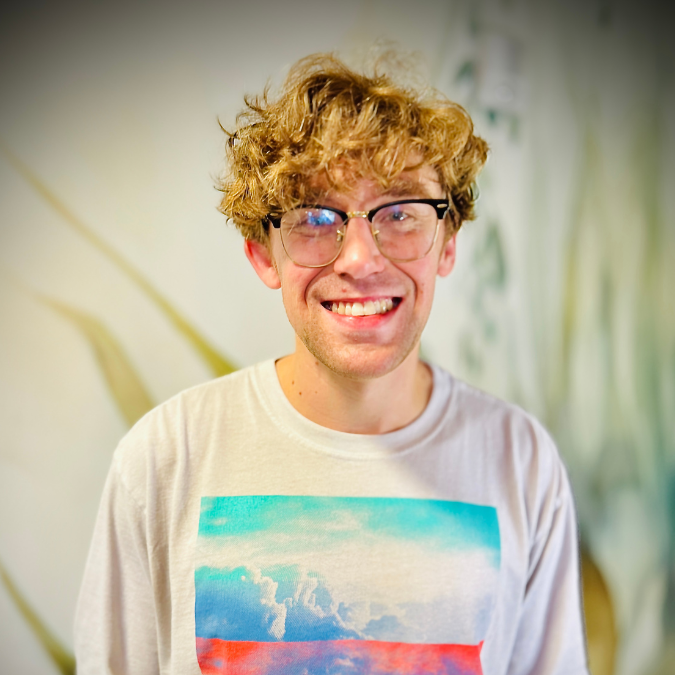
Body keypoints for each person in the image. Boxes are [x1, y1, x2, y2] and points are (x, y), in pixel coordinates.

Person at [74, 54, 589, 675]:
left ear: (447, 244)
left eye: (400, 214)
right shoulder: (166, 458)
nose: (361, 259)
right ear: (263, 256)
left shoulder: (519, 460)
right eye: (317, 219)